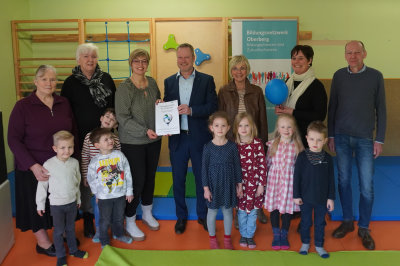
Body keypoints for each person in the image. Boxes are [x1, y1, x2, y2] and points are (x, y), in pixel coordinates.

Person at [8, 65, 77, 257]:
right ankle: (43, 242)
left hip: (60, 165)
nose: (49, 83)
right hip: (34, 167)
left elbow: (73, 133)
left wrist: (74, 159)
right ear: (35, 81)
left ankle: (59, 233)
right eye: (44, 79)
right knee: (36, 204)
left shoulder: (63, 103)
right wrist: (33, 166)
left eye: (53, 79)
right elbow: (13, 139)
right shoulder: (23, 106)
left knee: (57, 203)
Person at [328, 40, 386, 250]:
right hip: (341, 137)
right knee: (343, 181)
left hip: (365, 139)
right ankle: (347, 221)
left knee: (366, 187)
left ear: (365, 53)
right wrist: (331, 135)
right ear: (345, 55)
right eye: (349, 53)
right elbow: (332, 107)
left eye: (357, 52)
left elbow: (381, 109)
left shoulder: (376, 76)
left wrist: (379, 139)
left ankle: (363, 227)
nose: (353, 56)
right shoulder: (338, 76)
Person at [61, 43, 116, 238]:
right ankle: (87, 218)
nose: (90, 60)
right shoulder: (70, 83)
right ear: (78, 60)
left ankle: (108, 217)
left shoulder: (107, 79)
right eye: (85, 56)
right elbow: (65, 112)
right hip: (81, 139)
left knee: (107, 176)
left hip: (105, 139)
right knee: (86, 180)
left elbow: (113, 108)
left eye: (93, 56)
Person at [164, 43, 218, 234]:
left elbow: (213, 106)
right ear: (177, 58)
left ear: (193, 58)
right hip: (178, 139)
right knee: (177, 179)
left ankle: (202, 215)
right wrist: (161, 108)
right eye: (180, 57)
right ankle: (181, 217)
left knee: (202, 179)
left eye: (187, 57)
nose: (183, 61)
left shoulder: (207, 80)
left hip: (199, 138)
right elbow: (167, 109)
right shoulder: (169, 81)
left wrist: (192, 110)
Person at [115, 48, 162, 241]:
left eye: (144, 61)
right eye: (137, 61)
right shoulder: (125, 88)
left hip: (154, 140)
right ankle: (131, 220)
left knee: (150, 177)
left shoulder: (151, 82)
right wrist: (144, 131)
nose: (141, 64)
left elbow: (158, 105)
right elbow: (122, 118)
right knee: (137, 181)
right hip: (133, 141)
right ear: (131, 63)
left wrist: (161, 105)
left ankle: (147, 212)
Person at [218, 54, 269, 225]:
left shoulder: (256, 91)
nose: (238, 72)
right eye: (235, 68)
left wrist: (262, 144)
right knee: (235, 178)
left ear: (247, 70)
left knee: (254, 176)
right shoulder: (224, 91)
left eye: (242, 68)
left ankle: (257, 208)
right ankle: (238, 211)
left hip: (252, 143)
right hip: (233, 143)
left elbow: (262, 119)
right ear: (231, 71)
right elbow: (221, 119)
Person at [36, 131, 88, 266]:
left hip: (71, 203)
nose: (67, 151)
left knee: (71, 229)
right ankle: (60, 255)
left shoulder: (75, 163)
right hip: (57, 205)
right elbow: (42, 186)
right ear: (55, 149)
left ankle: (73, 250)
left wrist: (78, 200)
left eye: (70, 147)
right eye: (63, 148)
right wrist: (40, 205)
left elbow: (77, 182)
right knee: (58, 231)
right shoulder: (48, 164)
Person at [293, 121, 335, 258]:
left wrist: (331, 198)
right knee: (305, 222)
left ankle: (319, 245)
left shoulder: (328, 159)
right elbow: (297, 178)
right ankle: (305, 242)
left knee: (320, 223)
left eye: (319, 140)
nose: (315, 143)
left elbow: (331, 180)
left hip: (322, 200)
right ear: (306, 138)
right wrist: (296, 195)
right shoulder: (302, 157)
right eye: (311, 139)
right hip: (305, 198)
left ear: (325, 141)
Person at [202, 111, 243, 249]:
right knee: (212, 212)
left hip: (228, 185)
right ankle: (212, 238)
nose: (220, 128)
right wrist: (206, 189)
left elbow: (237, 166)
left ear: (228, 127)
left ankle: (227, 238)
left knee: (227, 212)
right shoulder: (207, 147)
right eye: (217, 125)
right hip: (213, 186)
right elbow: (204, 169)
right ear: (211, 128)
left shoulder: (232, 147)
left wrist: (239, 185)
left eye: (223, 125)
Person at [87, 128, 134, 248]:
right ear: (97, 145)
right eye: (106, 139)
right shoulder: (95, 161)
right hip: (104, 197)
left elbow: (127, 173)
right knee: (105, 220)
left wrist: (129, 191)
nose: (110, 141)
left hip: (120, 195)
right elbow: (91, 179)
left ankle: (118, 234)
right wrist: (96, 194)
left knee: (119, 218)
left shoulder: (119, 155)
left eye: (111, 138)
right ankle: (104, 240)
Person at [264, 114, 304, 250]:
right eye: (283, 127)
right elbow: (267, 164)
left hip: (289, 183)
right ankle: (276, 234)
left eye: (289, 127)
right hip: (274, 182)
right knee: (274, 208)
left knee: (287, 210)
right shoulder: (272, 144)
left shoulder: (298, 146)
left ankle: (284, 234)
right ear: (278, 128)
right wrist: (264, 183)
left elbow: (300, 169)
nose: (286, 129)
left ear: (294, 129)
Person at [275, 45, 327, 148]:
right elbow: (285, 105)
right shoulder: (287, 82)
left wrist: (293, 112)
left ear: (309, 60)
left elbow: (320, 116)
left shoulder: (316, 86)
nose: (296, 62)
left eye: (301, 58)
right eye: (294, 58)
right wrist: (281, 110)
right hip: (286, 137)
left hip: (306, 140)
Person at [81, 108, 120, 243]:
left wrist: (119, 178)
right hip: (97, 180)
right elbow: (85, 156)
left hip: (113, 179)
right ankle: (100, 230)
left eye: (113, 119)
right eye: (107, 116)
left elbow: (119, 158)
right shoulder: (89, 136)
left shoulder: (115, 139)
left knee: (115, 205)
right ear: (101, 118)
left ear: (115, 125)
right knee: (99, 205)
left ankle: (116, 229)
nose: (109, 120)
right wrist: (86, 175)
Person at [234, 112, 267, 249]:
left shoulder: (257, 144)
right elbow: (234, 168)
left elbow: (262, 165)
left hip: (255, 185)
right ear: (236, 128)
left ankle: (250, 235)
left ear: (252, 127)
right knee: (241, 212)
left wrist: (261, 185)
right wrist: (237, 186)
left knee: (253, 212)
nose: (243, 128)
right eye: (240, 125)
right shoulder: (235, 146)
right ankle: (243, 234)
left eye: (247, 125)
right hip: (241, 185)